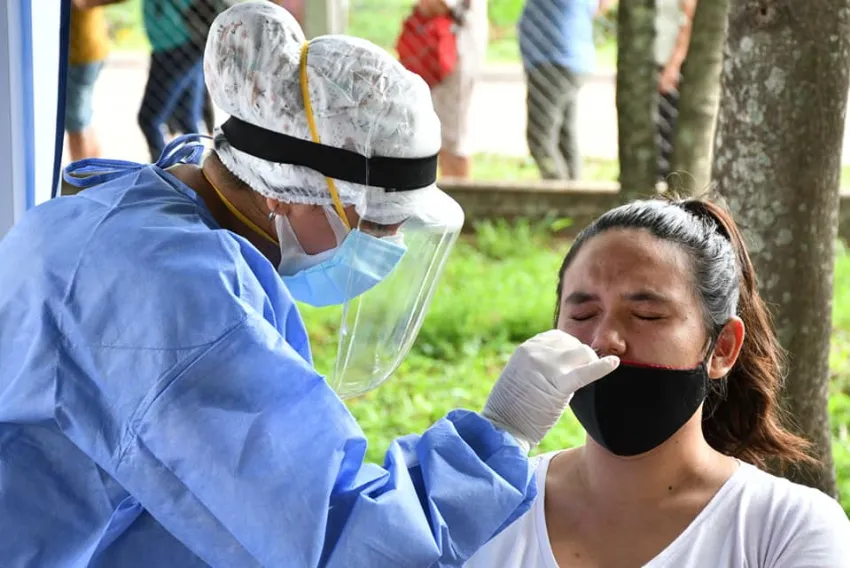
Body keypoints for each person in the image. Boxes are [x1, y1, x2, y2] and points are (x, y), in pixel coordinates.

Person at [0, 3, 620, 566]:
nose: (386, 245)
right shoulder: (177, 300)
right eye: (373, 223)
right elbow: (336, 537)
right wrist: (500, 436)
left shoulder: (132, 215)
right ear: (286, 191)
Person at [466, 198, 850, 567]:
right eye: (582, 315)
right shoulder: (484, 506)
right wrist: (484, 454)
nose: (605, 339)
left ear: (722, 348)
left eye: (647, 315)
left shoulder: (787, 528)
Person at [518, 0, 614, 181]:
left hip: (553, 60)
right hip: (565, 58)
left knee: (539, 137)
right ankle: (572, 188)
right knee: (564, 136)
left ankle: (558, 188)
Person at [416, 0, 488, 179]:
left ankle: (457, 191)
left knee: (453, 139)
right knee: (443, 134)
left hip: (454, 55)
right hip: (447, 52)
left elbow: (434, 5)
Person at [137, 0, 208, 161]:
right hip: (182, 44)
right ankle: (195, 168)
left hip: (179, 46)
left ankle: (163, 171)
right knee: (187, 119)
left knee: (149, 119)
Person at [65, 0, 124, 161]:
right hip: (85, 49)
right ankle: (94, 171)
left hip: (80, 52)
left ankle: (81, 173)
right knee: (82, 119)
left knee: (76, 123)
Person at [655, 0, 697, 182]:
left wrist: (673, 65)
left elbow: (689, 20)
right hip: (652, 64)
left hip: (669, 68)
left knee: (667, 133)